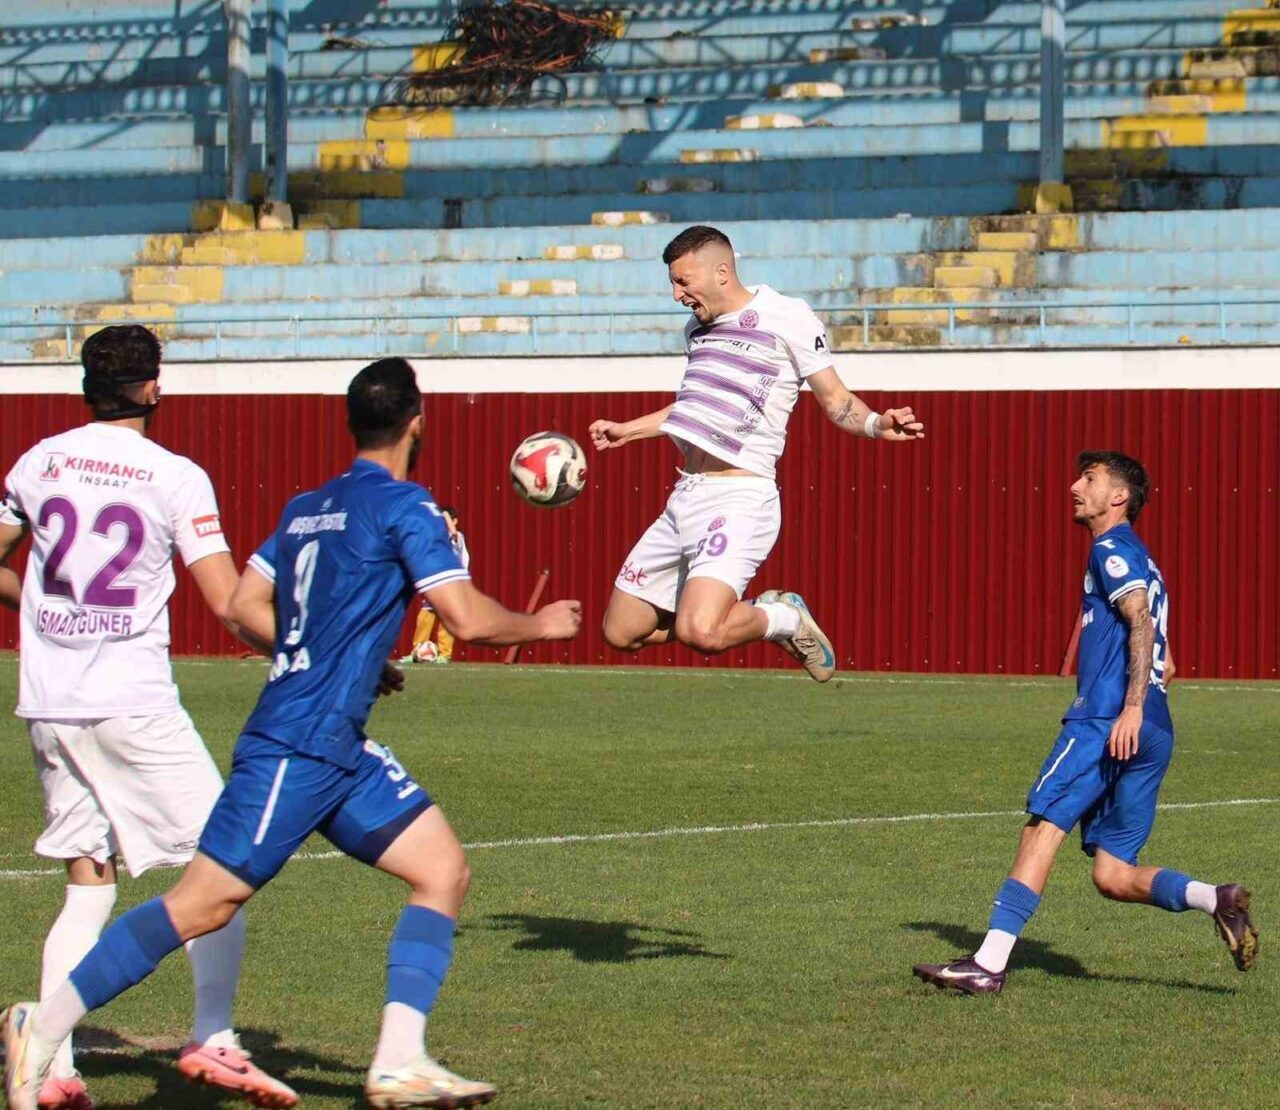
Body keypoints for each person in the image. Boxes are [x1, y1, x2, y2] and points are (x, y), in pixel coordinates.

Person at [3, 356, 582, 1110]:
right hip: (299, 743)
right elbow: (467, 618)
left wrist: (337, 657)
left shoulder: (307, 507)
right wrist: (541, 623)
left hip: (337, 742)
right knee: (200, 904)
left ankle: (399, 1062)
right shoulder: (408, 507)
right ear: (417, 422)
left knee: (442, 870)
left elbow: (246, 604)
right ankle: (40, 1028)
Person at [0, 325, 295, 1109]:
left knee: (88, 884)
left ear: (85, 384)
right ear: (154, 387)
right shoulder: (174, 475)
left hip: (48, 702)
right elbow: (230, 601)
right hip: (127, 701)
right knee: (226, 864)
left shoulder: (39, 460)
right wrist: (309, 645)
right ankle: (213, 1035)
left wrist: (34, 603)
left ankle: (53, 1062)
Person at [913, 451, 1258, 995]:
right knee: (1112, 875)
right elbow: (1163, 652)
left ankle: (989, 963)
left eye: (1089, 479)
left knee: (1043, 827)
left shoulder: (1111, 546)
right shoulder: (1140, 554)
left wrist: (1130, 706)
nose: (1075, 486)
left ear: (1117, 497)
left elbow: (1140, 618)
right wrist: (1147, 695)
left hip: (1108, 720)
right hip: (1154, 731)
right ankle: (1214, 898)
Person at [589, 224, 924, 681]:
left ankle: (782, 618)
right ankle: (729, 614)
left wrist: (875, 424)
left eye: (683, 281)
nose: (676, 295)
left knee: (701, 631)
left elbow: (835, 399)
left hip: (739, 497)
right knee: (620, 631)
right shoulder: (696, 330)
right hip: (685, 496)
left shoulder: (787, 315)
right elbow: (695, 407)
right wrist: (629, 430)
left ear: (722, 272)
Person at [405, 506, 469, 664]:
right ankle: (417, 651)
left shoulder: (457, 537)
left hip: (453, 583)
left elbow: (453, 533)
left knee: (446, 618)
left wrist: (445, 516)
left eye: (446, 519)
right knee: (425, 616)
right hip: (436, 581)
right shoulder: (436, 537)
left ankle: (445, 654)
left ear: (454, 521)